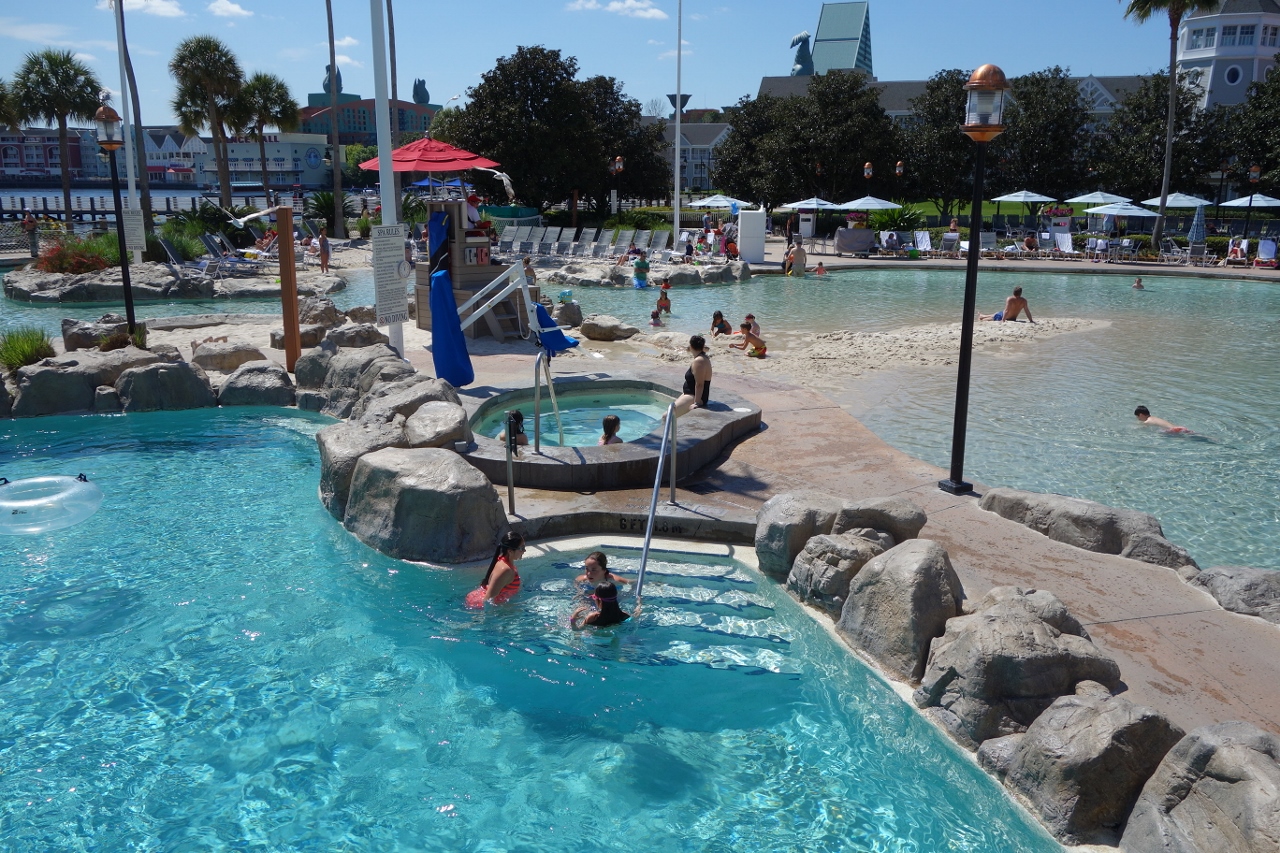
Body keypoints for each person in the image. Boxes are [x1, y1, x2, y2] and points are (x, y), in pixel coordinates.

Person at [465, 531, 526, 608]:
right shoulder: (505, 570)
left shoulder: (503, 560)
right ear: (510, 551)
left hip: (479, 598)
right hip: (478, 606)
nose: (524, 551)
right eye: (522, 548)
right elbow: (488, 600)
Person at [676, 335, 712, 412]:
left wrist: (697, 403)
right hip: (690, 393)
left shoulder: (699, 361)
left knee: (666, 416)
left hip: (695, 396)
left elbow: (699, 384)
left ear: (691, 346)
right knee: (670, 410)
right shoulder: (702, 357)